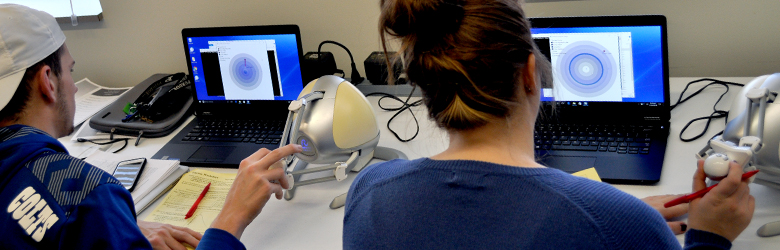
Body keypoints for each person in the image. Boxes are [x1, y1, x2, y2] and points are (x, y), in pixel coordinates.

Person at [342, 0, 754, 249]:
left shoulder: (369, 193)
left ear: (423, 84)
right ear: (529, 74)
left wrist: (621, 215)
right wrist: (710, 236)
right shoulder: (617, 224)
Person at [0, 4, 301, 249]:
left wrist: (117, 227)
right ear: (47, 82)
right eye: (70, 70)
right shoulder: (88, 196)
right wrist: (233, 215)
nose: (74, 87)